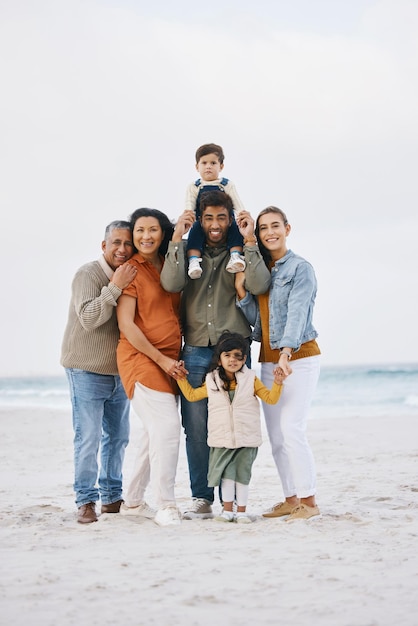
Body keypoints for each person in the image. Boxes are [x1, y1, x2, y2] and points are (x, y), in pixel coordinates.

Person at [160, 189, 272, 519]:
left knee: (235, 424)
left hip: (235, 351)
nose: (215, 224)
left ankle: (230, 497)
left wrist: (250, 241)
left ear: (229, 219)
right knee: (196, 427)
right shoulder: (189, 251)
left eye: (221, 217)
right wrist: (178, 237)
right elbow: (169, 282)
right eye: (208, 217)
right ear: (200, 219)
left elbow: (261, 284)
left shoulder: (239, 252)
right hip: (195, 348)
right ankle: (201, 497)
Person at [237, 205, 321, 522]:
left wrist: (286, 354)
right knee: (276, 438)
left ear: (287, 228)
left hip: (298, 358)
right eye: (263, 228)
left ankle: (309, 503)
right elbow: (257, 321)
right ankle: (291, 499)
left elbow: (298, 314)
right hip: (270, 361)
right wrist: (242, 291)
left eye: (276, 226)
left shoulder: (300, 268)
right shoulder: (262, 271)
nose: (270, 232)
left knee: (291, 429)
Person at [116, 208, 190, 527]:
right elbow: (127, 326)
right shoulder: (132, 269)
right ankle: (167, 503)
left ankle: (132, 502)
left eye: (153, 230)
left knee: (153, 434)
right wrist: (161, 360)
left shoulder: (171, 264)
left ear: (163, 233)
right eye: (140, 231)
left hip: (170, 360)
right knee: (168, 430)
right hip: (140, 358)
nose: (146, 236)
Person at [61, 220, 137, 524]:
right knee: (88, 437)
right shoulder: (87, 274)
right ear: (104, 246)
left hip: (120, 371)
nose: (122, 249)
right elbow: (90, 318)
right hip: (85, 369)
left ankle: (111, 497)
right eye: (116, 243)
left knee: (118, 437)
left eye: (127, 244)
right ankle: (86, 500)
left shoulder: (133, 273)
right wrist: (115, 286)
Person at [177, 331, 287, 523]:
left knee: (242, 477)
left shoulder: (251, 379)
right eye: (227, 355)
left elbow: (271, 398)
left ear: (244, 359)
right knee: (226, 477)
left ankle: (241, 512)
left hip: (246, 438)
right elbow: (193, 396)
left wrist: (278, 383)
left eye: (237, 356)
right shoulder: (212, 380)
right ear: (219, 359)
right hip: (221, 439)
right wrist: (180, 378)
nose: (232, 360)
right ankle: (228, 512)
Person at [185, 143, 246, 279]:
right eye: (204, 163)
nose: (208, 166)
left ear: (221, 166)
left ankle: (235, 256)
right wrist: (188, 217)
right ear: (197, 167)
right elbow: (189, 205)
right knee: (194, 232)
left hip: (226, 222)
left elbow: (237, 203)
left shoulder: (226, 184)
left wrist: (243, 216)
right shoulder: (195, 186)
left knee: (236, 230)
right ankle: (194, 261)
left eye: (213, 163)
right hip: (203, 222)